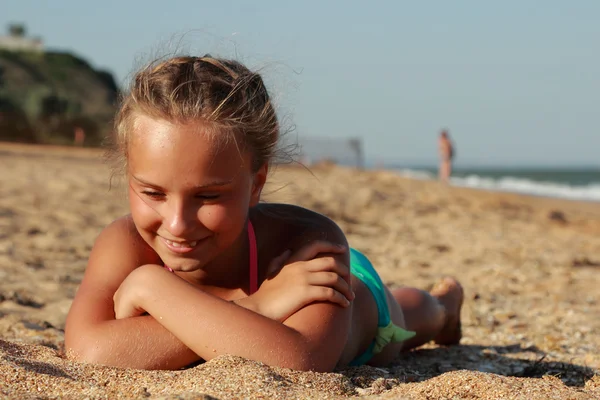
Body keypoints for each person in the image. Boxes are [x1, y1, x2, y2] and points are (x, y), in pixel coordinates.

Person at [64, 55, 464, 372]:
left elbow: (301, 360)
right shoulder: (125, 243)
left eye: (207, 196)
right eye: (152, 192)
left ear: (256, 184)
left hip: (360, 309)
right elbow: (88, 349)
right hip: (268, 295)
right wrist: (258, 307)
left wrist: (152, 289)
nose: (177, 224)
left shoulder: (311, 244)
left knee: (412, 315)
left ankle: (446, 307)